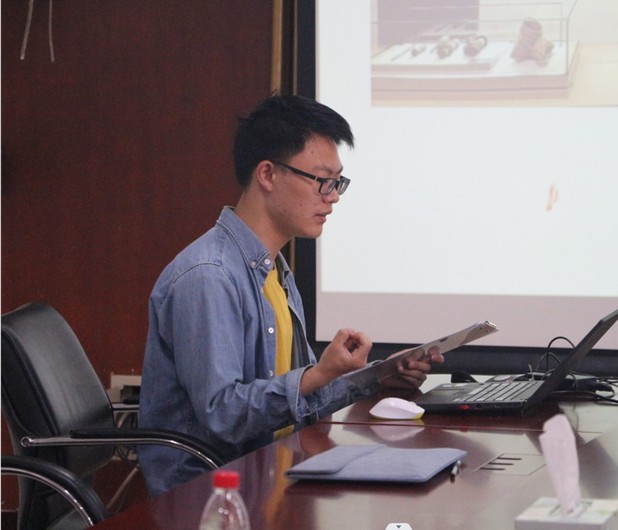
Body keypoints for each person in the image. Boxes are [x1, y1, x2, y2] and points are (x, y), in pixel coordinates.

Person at [138, 94, 443, 497]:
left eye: (338, 182)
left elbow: (296, 401)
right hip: (212, 498)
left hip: (272, 476)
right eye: (322, 180)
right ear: (267, 174)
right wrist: (317, 375)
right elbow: (223, 416)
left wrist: (378, 376)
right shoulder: (209, 277)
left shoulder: (273, 270)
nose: (333, 196)